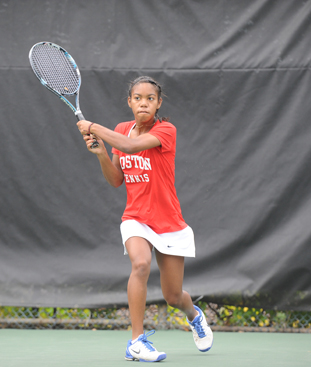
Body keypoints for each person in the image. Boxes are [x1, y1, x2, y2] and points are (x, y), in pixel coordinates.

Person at [76, 76, 213, 362]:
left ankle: (194, 315)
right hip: (135, 217)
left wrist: (92, 128)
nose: (144, 102)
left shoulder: (166, 130)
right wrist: (101, 153)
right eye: (138, 97)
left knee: (173, 297)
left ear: (158, 103)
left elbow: (129, 147)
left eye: (150, 98)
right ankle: (136, 341)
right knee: (140, 264)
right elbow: (116, 180)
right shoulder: (121, 129)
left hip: (169, 222)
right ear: (130, 102)